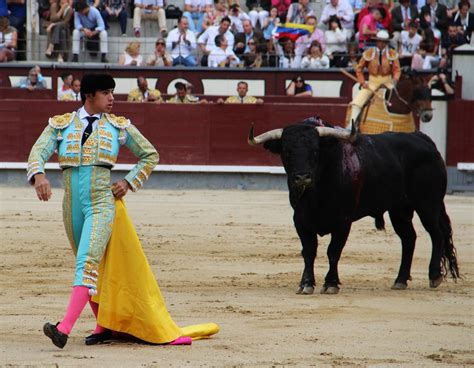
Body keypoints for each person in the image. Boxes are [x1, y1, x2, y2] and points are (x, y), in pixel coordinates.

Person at [28, 73, 217, 348]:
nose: (112, 98)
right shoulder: (61, 125)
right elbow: (37, 153)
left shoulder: (119, 127)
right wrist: (39, 176)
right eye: (106, 93)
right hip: (71, 207)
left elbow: (150, 154)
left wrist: (129, 181)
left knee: (87, 264)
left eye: (112, 92)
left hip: (101, 203)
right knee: (92, 267)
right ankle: (104, 326)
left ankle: (64, 328)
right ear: (89, 95)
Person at [349, 30, 400, 128]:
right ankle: (352, 126)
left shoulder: (392, 54)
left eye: (384, 42)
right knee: (357, 102)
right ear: (376, 41)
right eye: (380, 41)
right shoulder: (369, 53)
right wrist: (363, 82)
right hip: (372, 82)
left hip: (388, 81)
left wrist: (395, 79)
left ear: (386, 43)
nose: (381, 44)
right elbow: (359, 69)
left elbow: (396, 70)